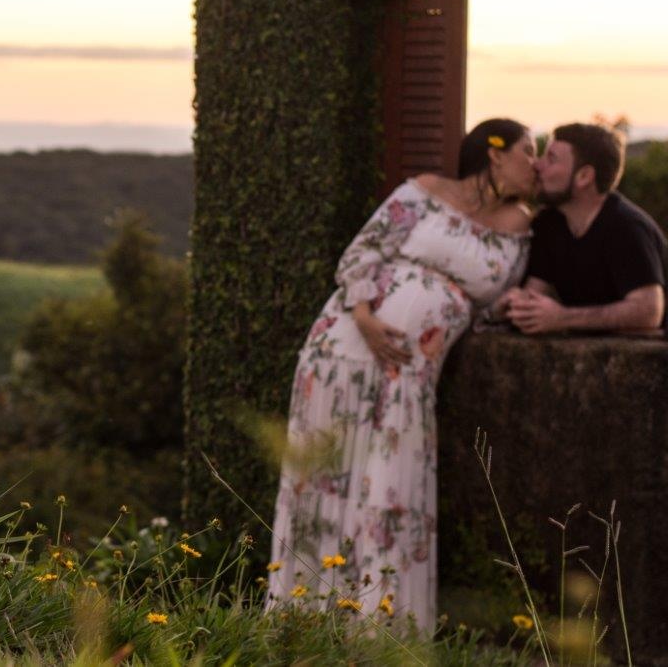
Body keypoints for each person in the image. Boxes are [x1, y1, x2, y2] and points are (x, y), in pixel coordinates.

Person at [265, 119, 537, 632]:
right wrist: (366, 318)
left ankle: (376, 635)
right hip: (344, 347)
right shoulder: (424, 191)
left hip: (408, 378)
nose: (536, 163)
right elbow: (360, 254)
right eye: (529, 150)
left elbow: (495, 302)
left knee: (388, 493)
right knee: (320, 482)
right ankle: (300, 626)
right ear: (495, 153)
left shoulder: (521, 227)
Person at [502, 123, 666, 335]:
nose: (538, 165)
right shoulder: (549, 223)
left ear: (584, 176)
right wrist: (514, 304)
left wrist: (562, 318)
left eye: (551, 159)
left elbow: (649, 311)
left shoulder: (626, 227)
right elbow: (534, 292)